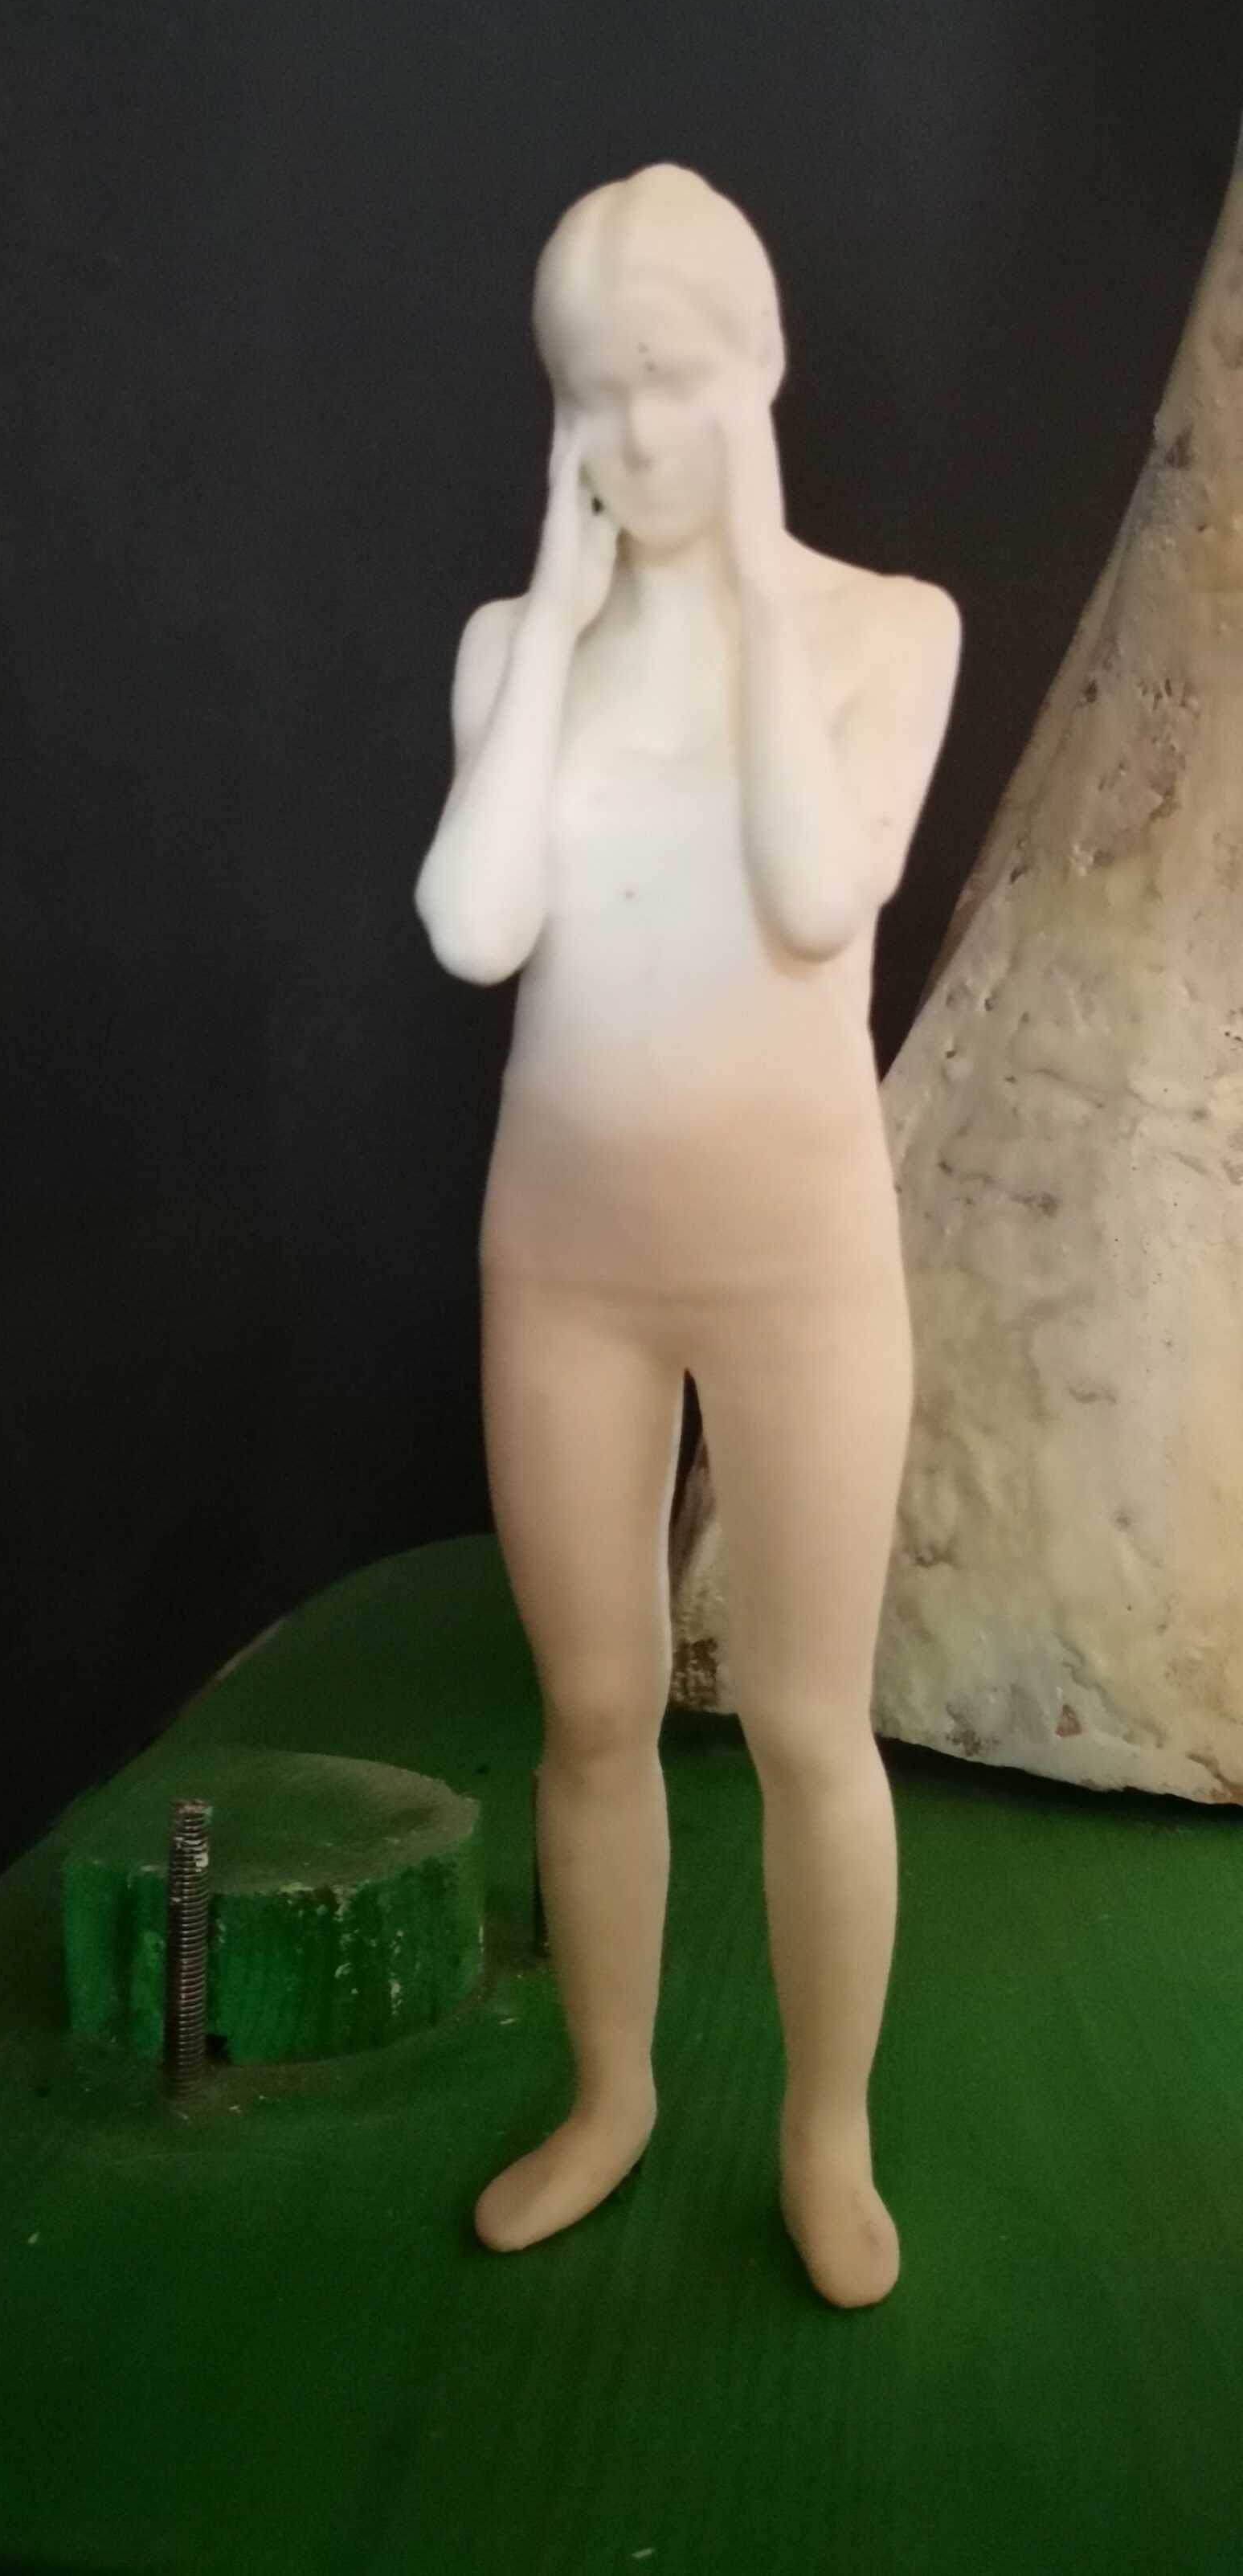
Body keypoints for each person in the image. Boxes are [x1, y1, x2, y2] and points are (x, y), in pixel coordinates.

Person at [414, 162, 960, 2308]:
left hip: (801, 1263)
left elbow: (818, 898)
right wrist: (556, 629)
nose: (635, 434)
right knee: (592, 1710)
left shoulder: (890, 630)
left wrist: (749, 592)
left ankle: (827, 2135)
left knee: (813, 1724)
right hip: (565, 1262)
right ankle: (612, 2090)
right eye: (591, 389)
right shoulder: (509, 652)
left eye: (674, 380)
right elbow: (475, 927)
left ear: (762, 368)